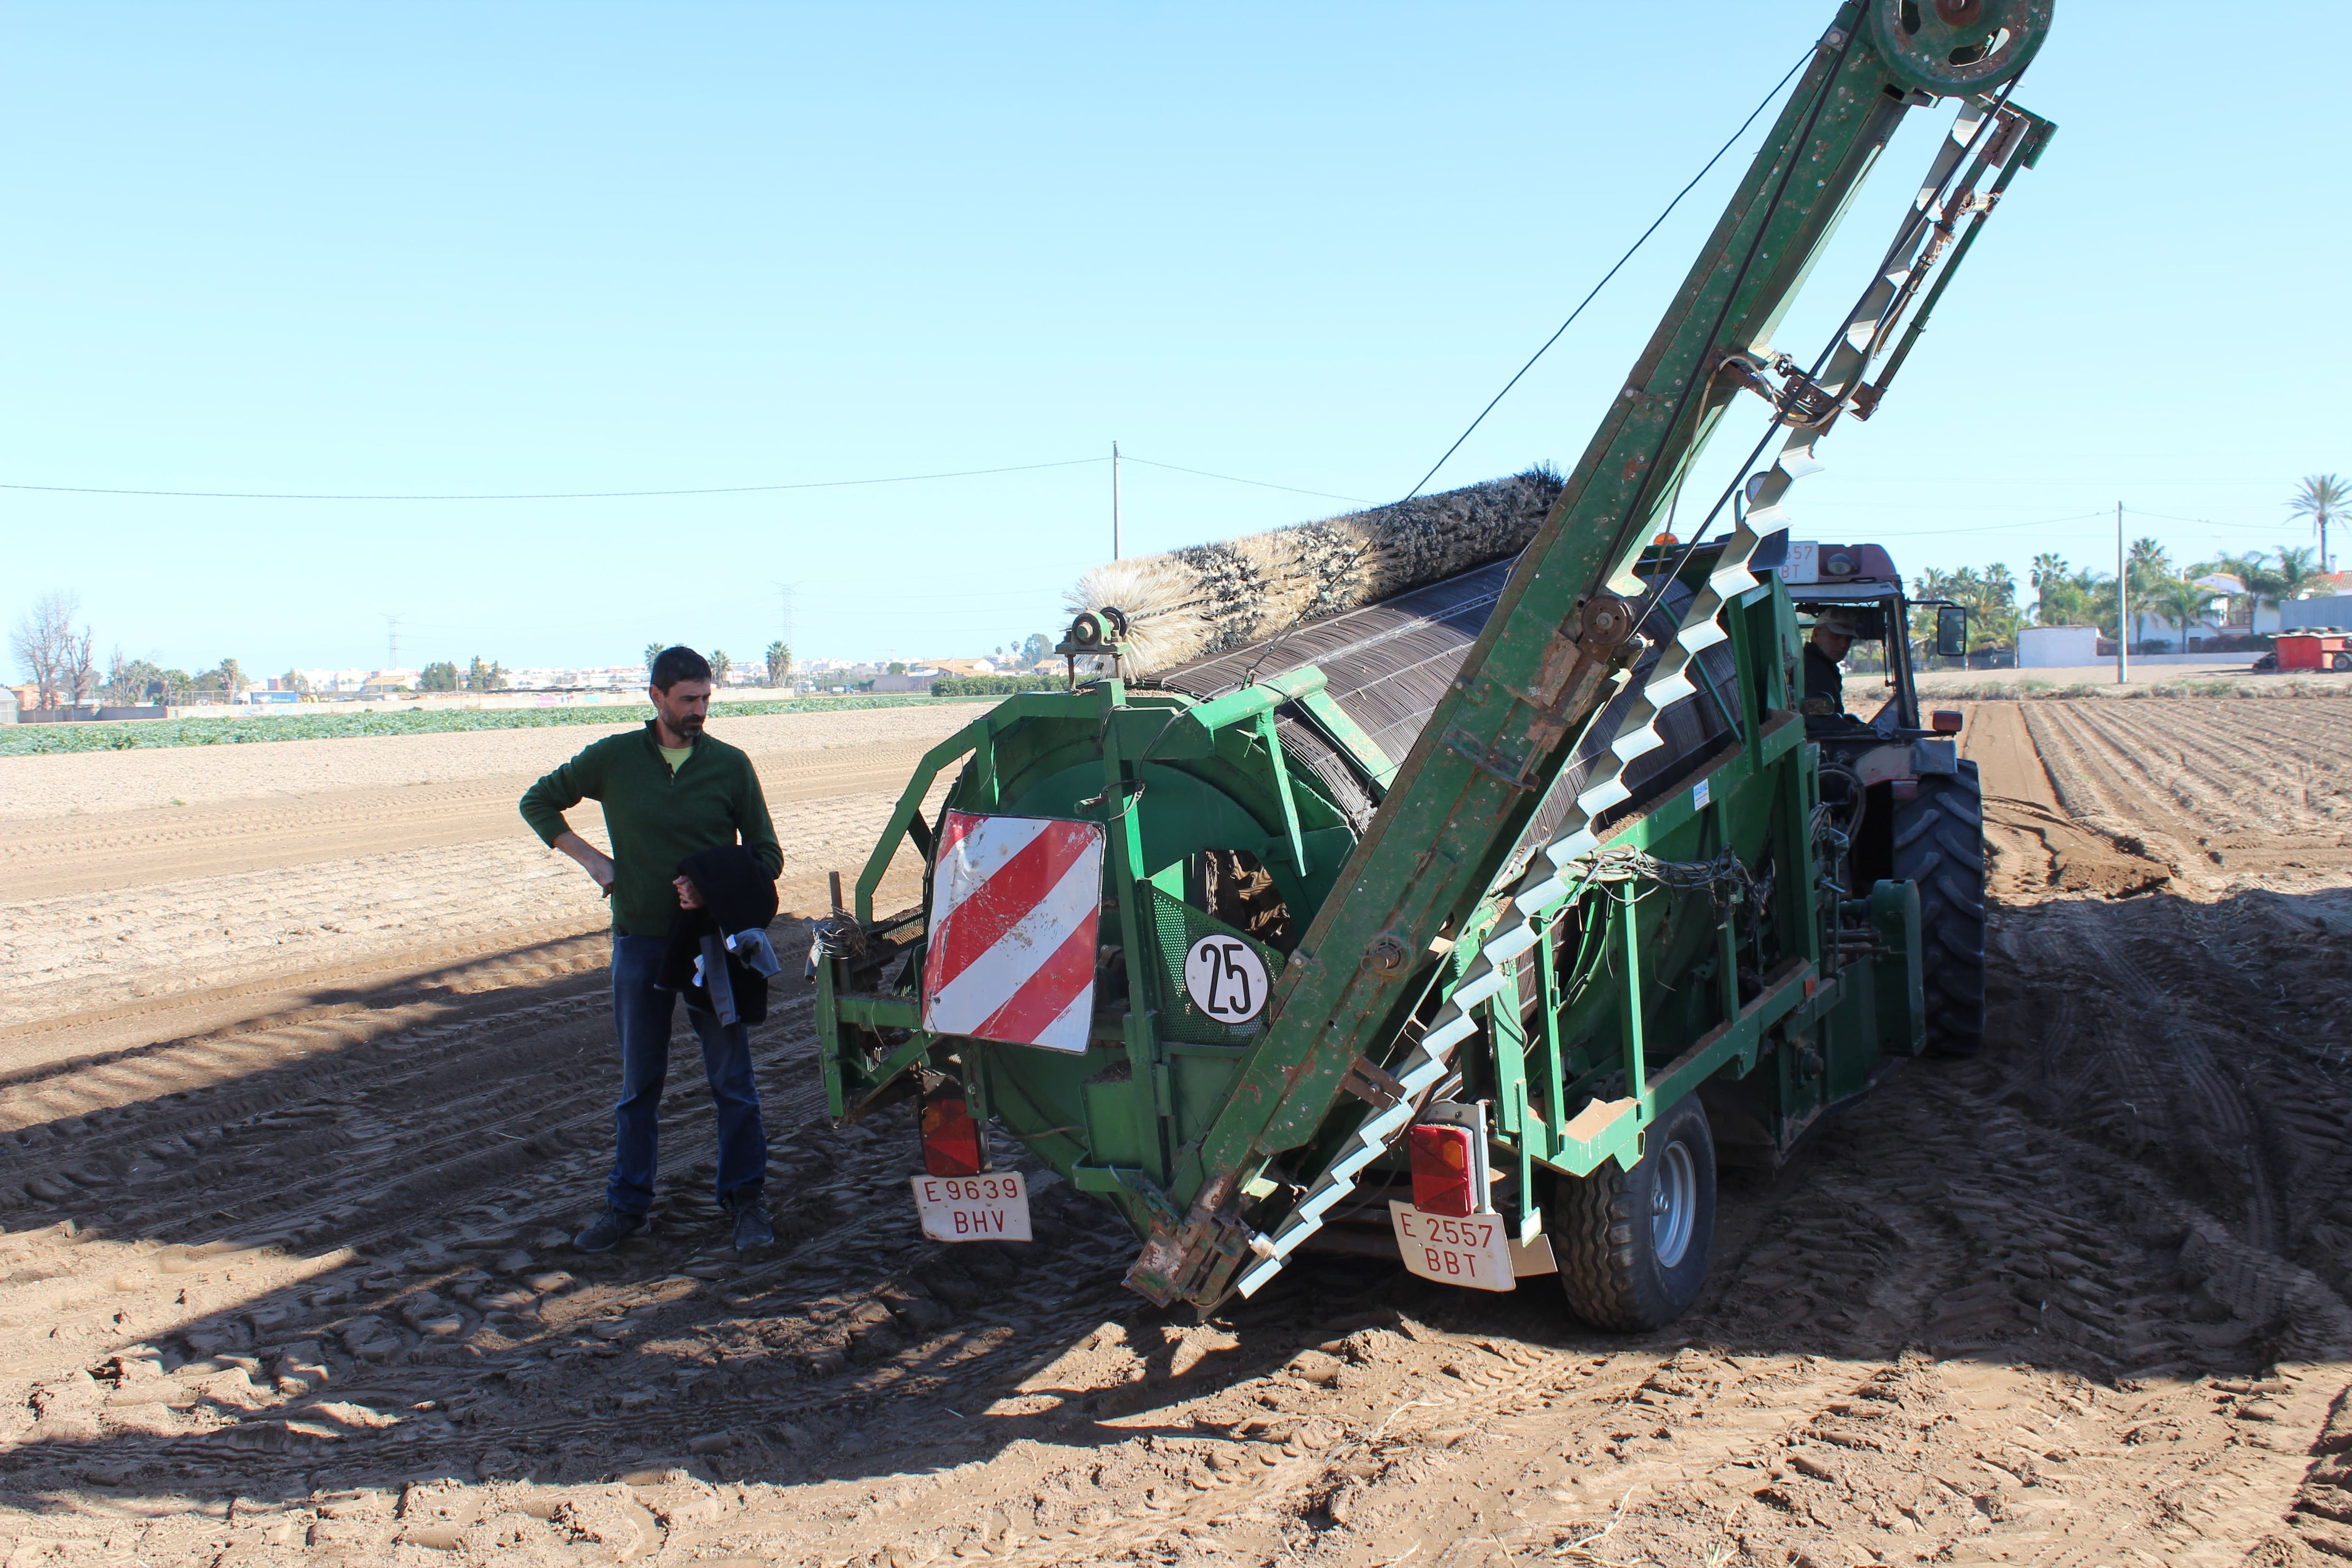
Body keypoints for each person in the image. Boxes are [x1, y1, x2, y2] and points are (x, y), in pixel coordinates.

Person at [519, 646, 784, 1254]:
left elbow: (768, 855)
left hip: (711, 947)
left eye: (706, 699)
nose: (699, 711)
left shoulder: (730, 766)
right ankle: (626, 1206)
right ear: (657, 698)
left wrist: (711, 884)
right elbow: (538, 801)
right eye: (688, 700)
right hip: (639, 942)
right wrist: (594, 861)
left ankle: (747, 1202)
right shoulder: (615, 760)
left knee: (733, 1082)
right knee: (639, 1087)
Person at [1798, 607, 1861, 720]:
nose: (1844, 645)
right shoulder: (1814, 671)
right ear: (1816, 634)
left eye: (1849, 639)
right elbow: (1817, 721)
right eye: (1836, 636)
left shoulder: (1822, 666)